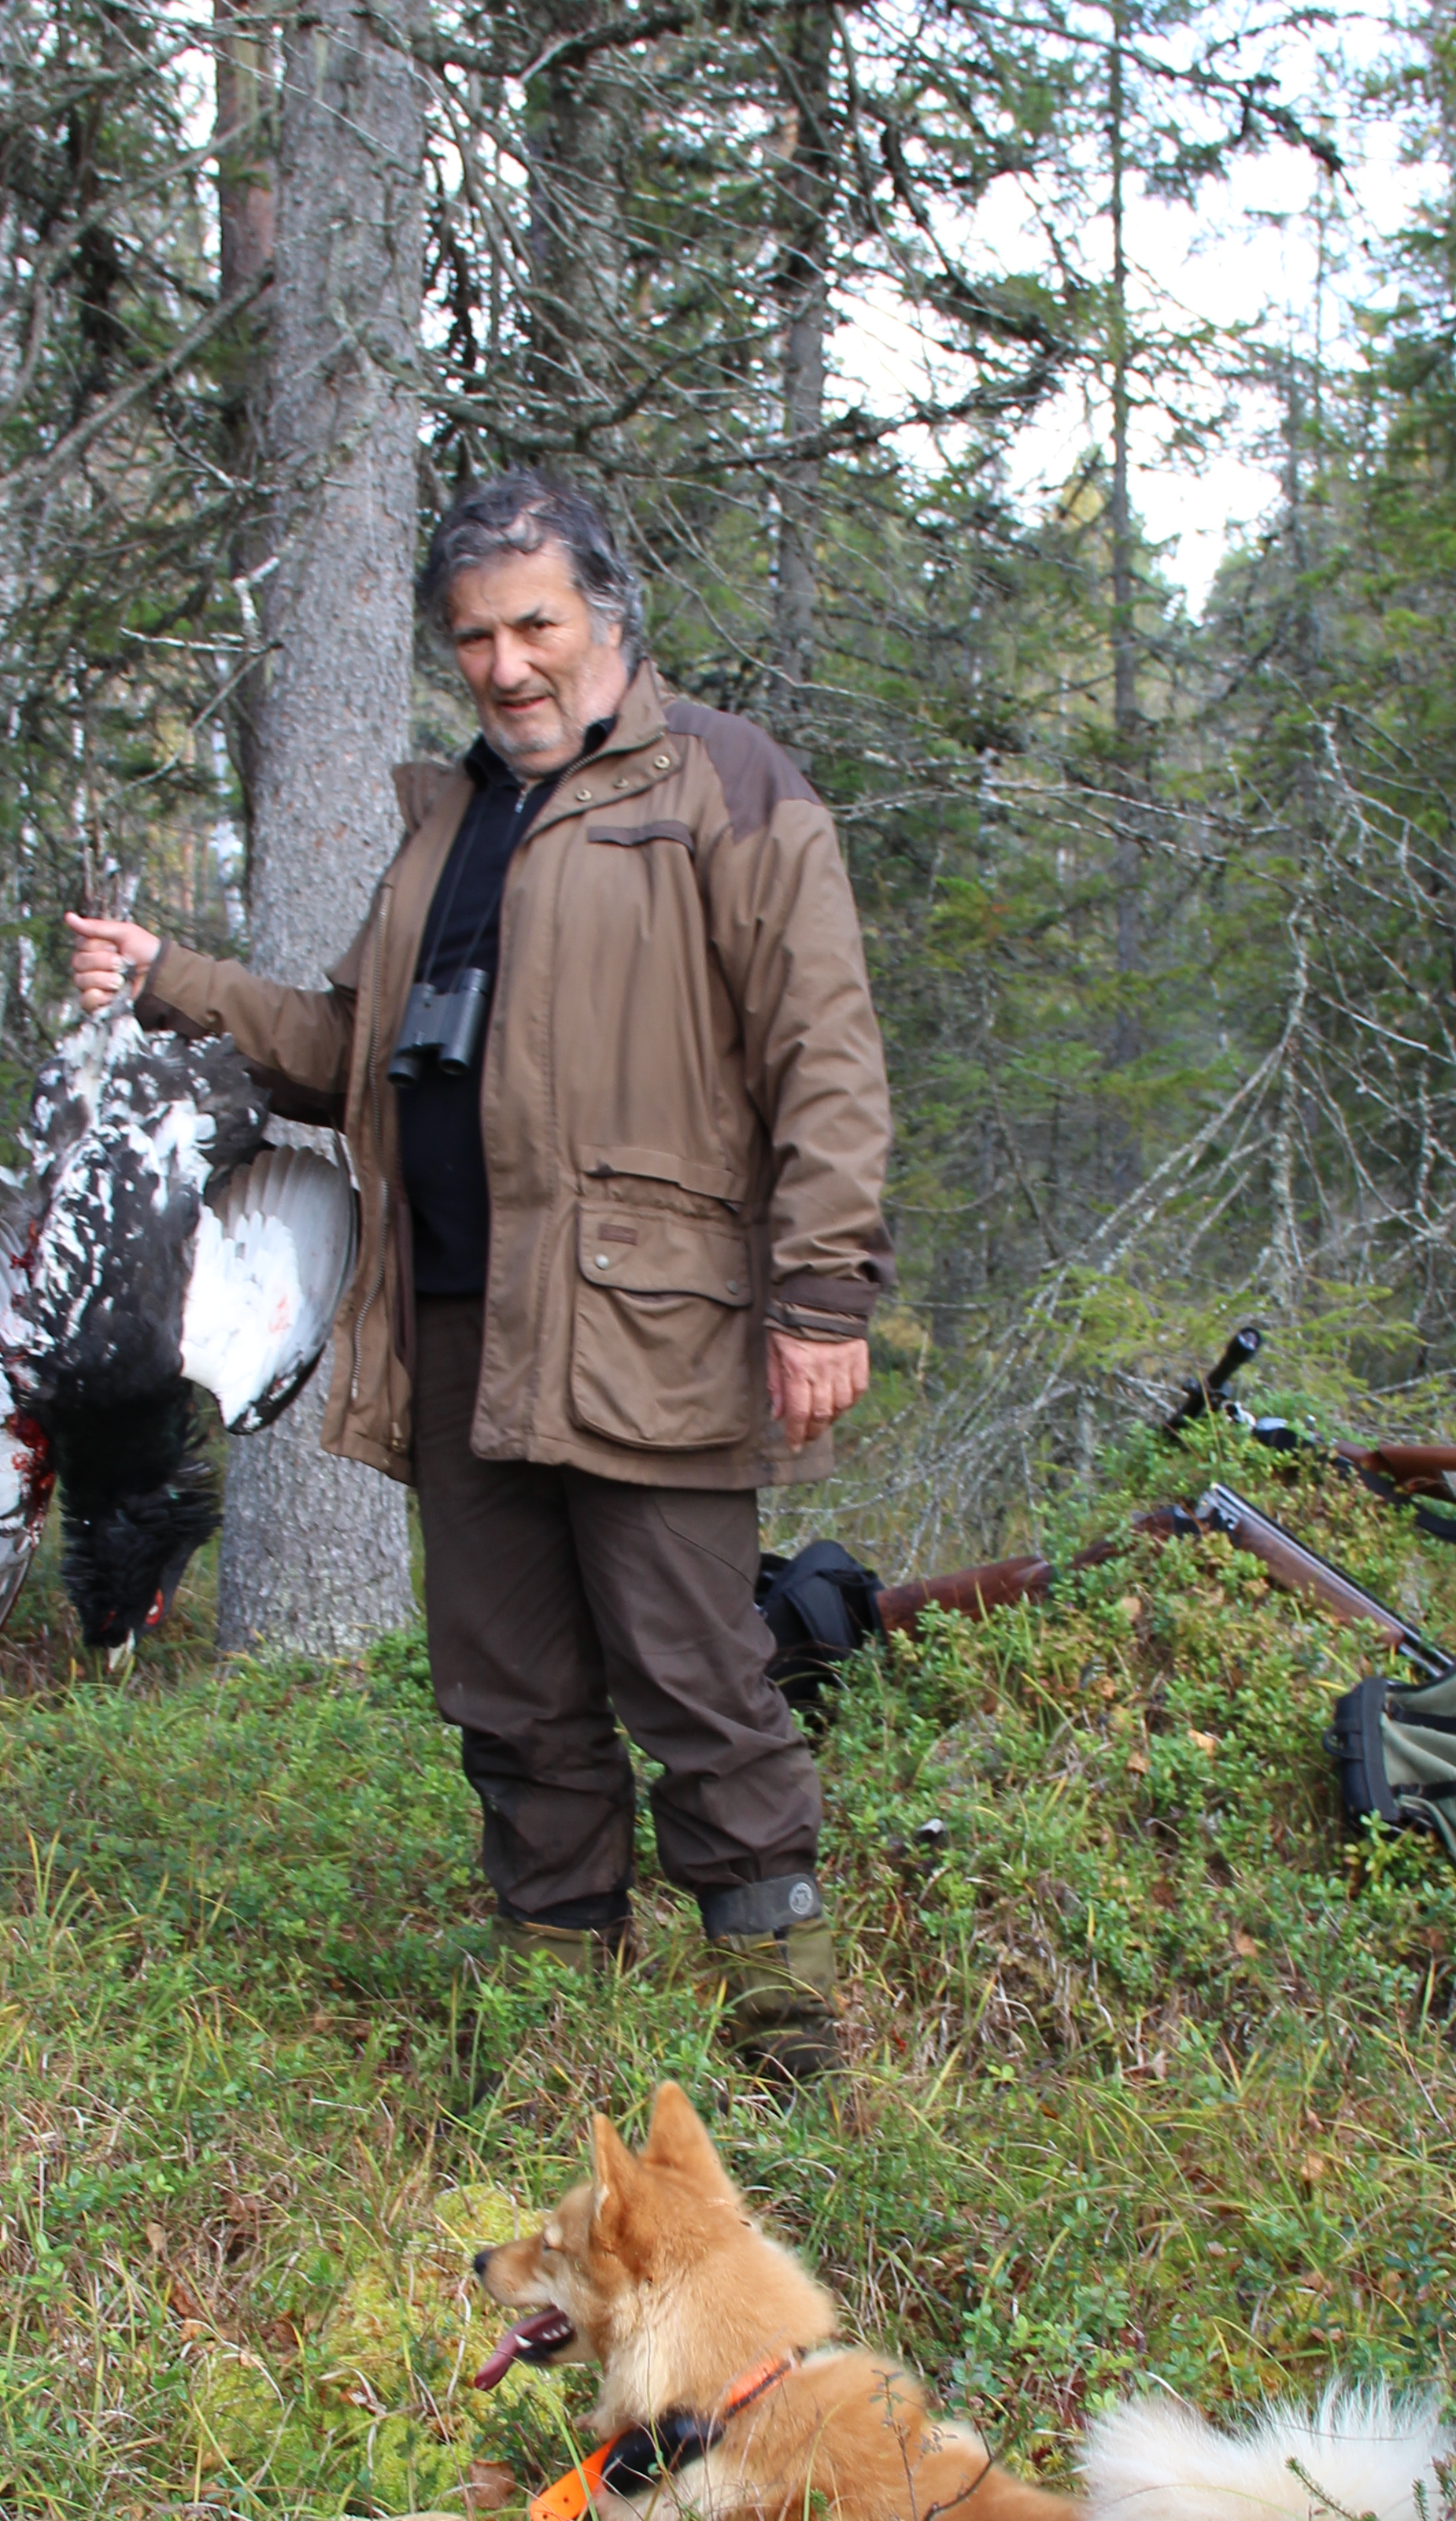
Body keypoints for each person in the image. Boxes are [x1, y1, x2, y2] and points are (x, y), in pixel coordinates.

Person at [63, 470, 892, 2081]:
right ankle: (548, 2041)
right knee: (510, 1694)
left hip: (652, 1322)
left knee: (696, 1680)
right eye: (474, 640)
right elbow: (347, 1053)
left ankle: (789, 2048)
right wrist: (176, 983)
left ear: (607, 620)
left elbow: (828, 1061)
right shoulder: (451, 821)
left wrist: (822, 1296)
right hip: (453, 1322)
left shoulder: (728, 782)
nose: (507, 667)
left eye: (536, 627)